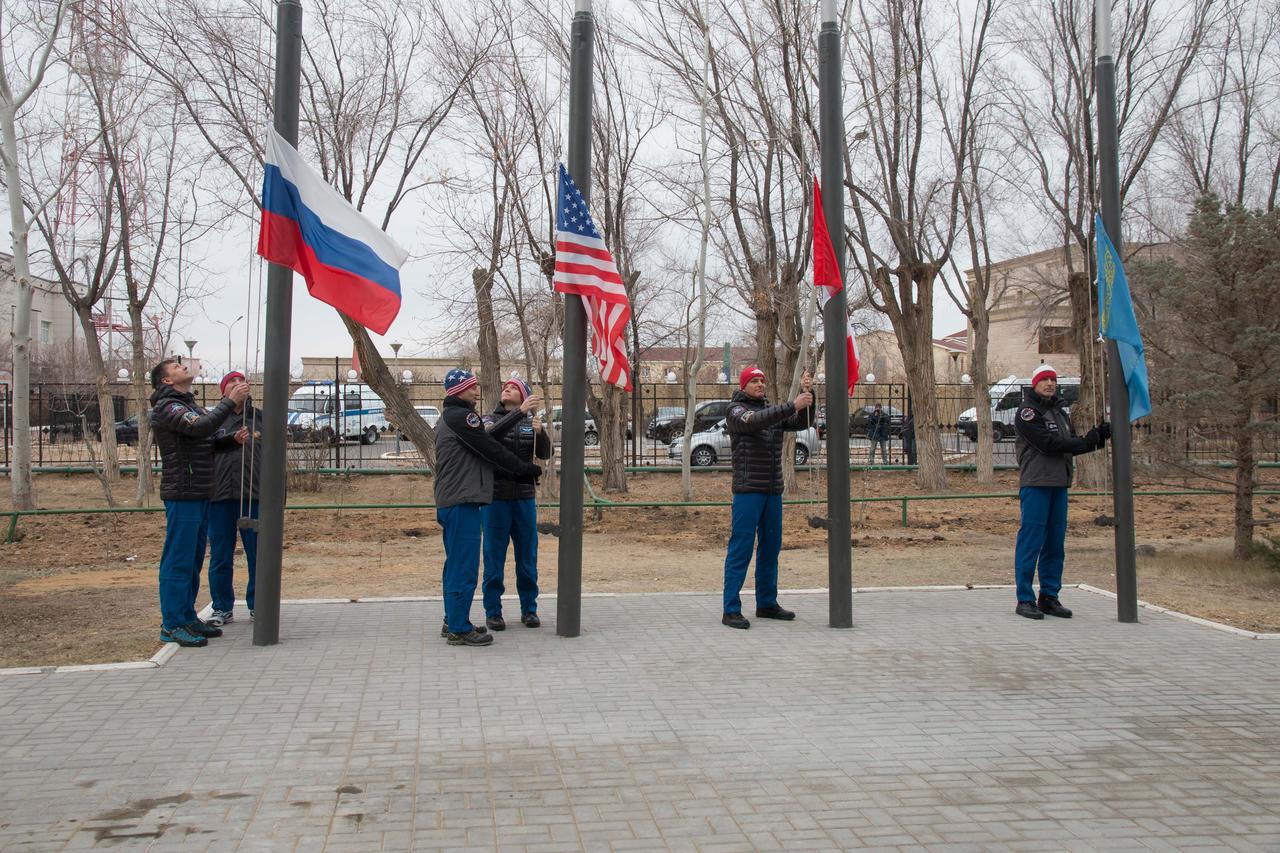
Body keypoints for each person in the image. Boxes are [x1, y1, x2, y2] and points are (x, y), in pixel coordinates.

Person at [434, 369, 543, 646]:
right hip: (463, 500)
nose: (476, 391)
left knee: (456, 564)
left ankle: (453, 619)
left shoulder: (453, 417)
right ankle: (459, 628)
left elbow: (489, 438)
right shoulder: (462, 417)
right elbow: (490, 446)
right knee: (465, 567)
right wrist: (524, 469)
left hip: (456, 499)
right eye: (471, 387)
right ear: (459, 390)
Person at [149, 358, 249, 647]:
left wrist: (231, 440)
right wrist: (229, 401)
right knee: (178, 560)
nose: (183, 367)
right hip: (183, 492)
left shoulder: (188, 404)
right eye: (176, 367)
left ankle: (186, 616)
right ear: (166, 380)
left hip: (200, 490)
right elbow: (202, 427)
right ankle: (171, 623)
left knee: (193, 559)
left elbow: (206, 437)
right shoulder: (169, 407)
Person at [1013, 364, 1111, 620]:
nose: (1050, 384)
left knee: (1055, 544)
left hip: (1059, 485)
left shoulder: (1059, 411)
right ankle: (1025, 598)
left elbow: (1071, 443)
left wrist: (1097, 438)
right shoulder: (1027, 412)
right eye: (1044, 380)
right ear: (1034, 384)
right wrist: (1087, 441)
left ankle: (1049, 596)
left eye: (1053, 380)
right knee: (1031, 542)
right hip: (1036, 484)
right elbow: (1049, 444)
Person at [720, 366, 815, 629]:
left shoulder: (771, 410)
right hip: (748, 491)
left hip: (773, 491)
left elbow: (800, 422)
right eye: (754, 381)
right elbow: (754, 421)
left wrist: (808, 398)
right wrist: (791, 405)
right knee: (741, 549)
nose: (760, 384)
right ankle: (731, 609)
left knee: (771, 548)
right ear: (744, 386)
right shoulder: (736, 411)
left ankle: (766, 603)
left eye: (762, 380)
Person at [480, 378, 550, 631]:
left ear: (523, 395)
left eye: (513, 387)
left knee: (527, 557)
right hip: (495, 499)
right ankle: (493, 611)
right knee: (494, 557)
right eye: (505, 386)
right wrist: (519, 413)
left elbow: (545, 454)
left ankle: (529, 609)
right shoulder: (488, 418)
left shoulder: (529, 422)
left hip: (523, 497)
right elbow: (488, 437)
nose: (506, 389)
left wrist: (540, 434)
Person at [206, 371, 260, 627]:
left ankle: (259, 605)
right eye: (233, 383)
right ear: (223, 391)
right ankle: (221, 607)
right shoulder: (213, 420)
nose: (240, 385)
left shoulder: (260, 419)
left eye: (242, 381)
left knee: (258, 554)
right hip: (220, 496)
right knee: (220, 554)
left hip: (253, 496)